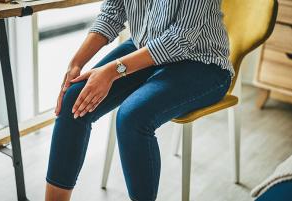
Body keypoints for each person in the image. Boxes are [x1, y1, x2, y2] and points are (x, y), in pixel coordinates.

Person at [45, 0, 235, 200]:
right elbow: (113, 12)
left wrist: (112, 71)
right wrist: (76, 63)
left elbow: (179, 39)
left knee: (132, 118)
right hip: (144, 47)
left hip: (202, 62)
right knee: (73, 99)